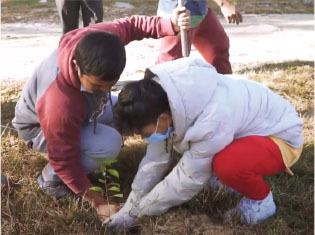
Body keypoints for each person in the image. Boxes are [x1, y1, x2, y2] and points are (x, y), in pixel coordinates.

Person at [12, 9, 190, 220]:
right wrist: (98, 201)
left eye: (110, 85)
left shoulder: (100, 40)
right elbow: (63, 159)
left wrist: (169, 24)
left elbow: (130, 26)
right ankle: (50, 178)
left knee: (125, 110)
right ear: (77, 67)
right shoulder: (59, 102)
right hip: (38, 129)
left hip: (80, 110)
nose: (106, 91)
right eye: (97, 86)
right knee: (108, 144)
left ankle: (86, 140)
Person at [107, 57, 303, 231]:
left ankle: (261, 201)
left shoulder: (212, 118)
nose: (145, 139)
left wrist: (138, 213)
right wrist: (130, 205)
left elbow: (186, 180)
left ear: (164, 118)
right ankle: (234, 179)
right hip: (244, 130)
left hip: (279, 137)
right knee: (210, 161)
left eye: (145, 134)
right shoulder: (161, 100)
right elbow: (155, 159)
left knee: (227, 165)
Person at [156, 0, 243, 74]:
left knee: (218, 48)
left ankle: (224, 87)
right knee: (170, 67)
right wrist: (224, 3)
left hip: (200, 13)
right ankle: (150, 90)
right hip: (177, 17)